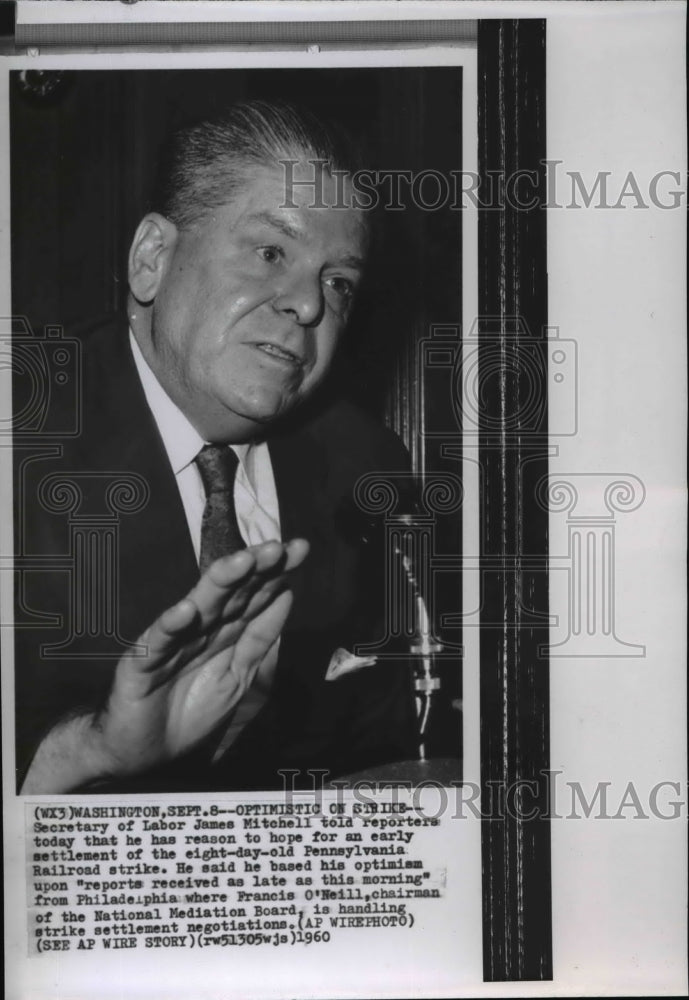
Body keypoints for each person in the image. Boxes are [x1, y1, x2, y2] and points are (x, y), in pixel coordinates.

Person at [16, 100, 417, 794]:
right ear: (152, 259)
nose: (310, 306)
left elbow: (380, 740)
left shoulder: (364, 465)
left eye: (338, 282)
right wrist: (88, 751)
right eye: (270, 253)